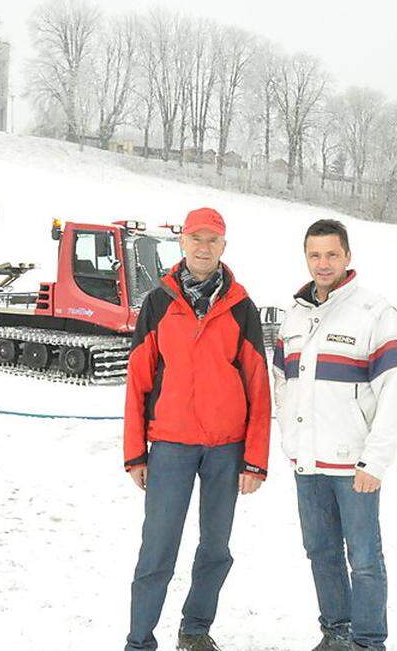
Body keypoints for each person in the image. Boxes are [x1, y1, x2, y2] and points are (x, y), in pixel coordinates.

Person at [123, 207, 271, 651]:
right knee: (158, 550)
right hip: (170, 446)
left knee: (215, 547)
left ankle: (195, 629)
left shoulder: (241, 307)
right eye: (196, 239)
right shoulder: (158, 303)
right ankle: (139, 640)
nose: (203, 248)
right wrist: (135, 452)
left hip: (226, 450)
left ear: (223, 247)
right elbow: (137, 380)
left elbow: (258, 387)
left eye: (213, 241)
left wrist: (256, 460)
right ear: (183, 243)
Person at [273, 219, 397, 651]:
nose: (323, 263)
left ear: (347, 256)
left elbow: (396, 391)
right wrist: (290, 443)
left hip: (354, 466)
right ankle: (336, 633)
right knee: (321, 552)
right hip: (308, 462)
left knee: (365, 560)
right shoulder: (295, 316)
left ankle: (368, 642)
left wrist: (375, 461)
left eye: (332, 254)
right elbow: (282, 383)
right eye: (315, 255)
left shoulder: (375, 313)